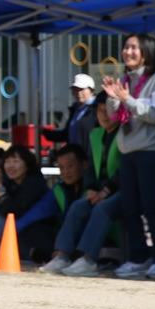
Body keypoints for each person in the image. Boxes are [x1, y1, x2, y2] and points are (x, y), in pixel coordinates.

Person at [99, 33, 155, 280]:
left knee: (151, 207)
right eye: (126, 47)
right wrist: (113, 98)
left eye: (134, 48)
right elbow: (116, 117)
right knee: (129, 207)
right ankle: (138, 257)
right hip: (128, 151)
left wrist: (127, 99)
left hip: (151, 151)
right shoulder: (125, 79)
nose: (128, 52)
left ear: (146, 52)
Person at [50, 99, 127, 277]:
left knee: (102, 208)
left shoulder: (125, 133)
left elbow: (124, 169)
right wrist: (91, 189)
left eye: (107, 110)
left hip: (122, 189)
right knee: (78, 206)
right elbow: (91, 168)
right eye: (99, 111)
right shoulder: (97, 135)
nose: (103, 115)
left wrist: (106, 191)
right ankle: (61, 255)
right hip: (100, 191)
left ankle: (88, 259)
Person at [13, 143, 87, 262]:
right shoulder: (60, 189)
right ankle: (50, 256)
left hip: (88, 241)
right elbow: (40, 210)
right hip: (65, 240)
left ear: (84, 164)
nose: (65, 172)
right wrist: (12, 229)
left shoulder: (93, 189)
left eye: (70, 166)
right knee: (29, 227)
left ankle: (56, 256)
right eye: (61, 167)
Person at [42, 74, 98, 153]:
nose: (78, 93)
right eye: (75, 89)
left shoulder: (97, 108)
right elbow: (66, 134)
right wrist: (45, 132)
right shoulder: (76, 109)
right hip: (76, 156)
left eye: (81, 89)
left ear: (91, 91)